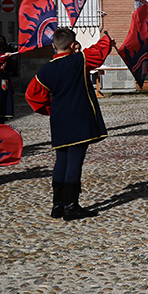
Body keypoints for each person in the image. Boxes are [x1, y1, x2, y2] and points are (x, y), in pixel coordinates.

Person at [25, 28, 115, 219]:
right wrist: (106, 38)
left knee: (61, 160)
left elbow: (32, 96)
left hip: (59, 119)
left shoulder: (46, 69)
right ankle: (71, 207)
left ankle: (57, 205)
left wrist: (50, 109)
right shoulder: (79, 60)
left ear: (53, 46)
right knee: (75, 161)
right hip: (78, 119)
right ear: (73, 45)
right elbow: (98, 52)